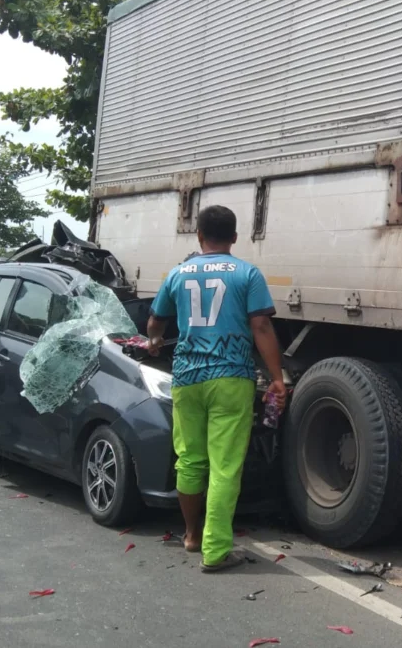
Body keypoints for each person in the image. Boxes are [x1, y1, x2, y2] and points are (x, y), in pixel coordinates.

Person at [146, 205, 286, 573]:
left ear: (199, 236)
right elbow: (261, 328)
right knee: (225, 466)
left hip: (188, 378)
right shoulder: (247, 274)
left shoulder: (178, 273)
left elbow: (155, 322)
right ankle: (216, 550)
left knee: (190, 460)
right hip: (230, 378)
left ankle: (191, 536)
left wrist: (155, 340)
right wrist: (276, 377)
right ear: (235, 237)